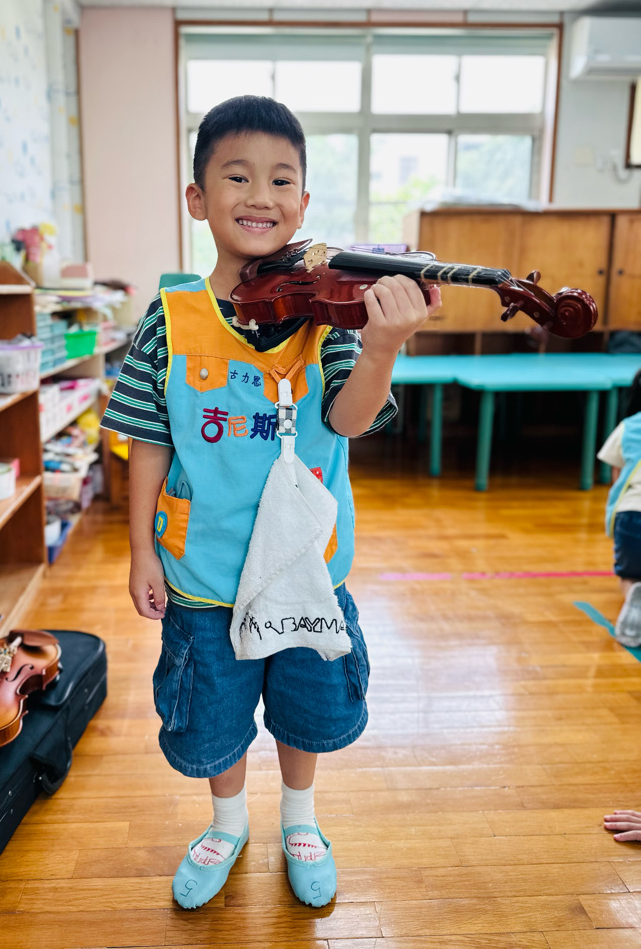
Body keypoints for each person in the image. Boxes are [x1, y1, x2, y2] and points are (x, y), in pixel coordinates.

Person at [101, 94, 440, 909]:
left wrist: (383, 347)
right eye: (237, 176)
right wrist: (142, 550)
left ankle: (299, 817)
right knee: (213, 707)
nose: (261, 195)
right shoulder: (169, 319)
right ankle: (227, 822)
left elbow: (348, 421)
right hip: (204, 568)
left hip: (307, 566)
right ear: (197, 198)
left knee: (304, 701)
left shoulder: (331, 318)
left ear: (304, 202)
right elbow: (149, 440)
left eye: (281, 179)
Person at [597, 368, 641, 647]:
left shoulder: (629, 427)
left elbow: (616, 478)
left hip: (631, 513)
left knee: (629, 575)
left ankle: (633, 597)